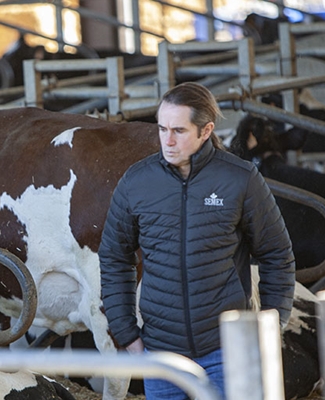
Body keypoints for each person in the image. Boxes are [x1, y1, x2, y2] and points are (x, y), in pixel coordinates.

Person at [99, 82, 295, 399]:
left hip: (226, 349)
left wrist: (269, 329)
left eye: (179, 130)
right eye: (162, 129)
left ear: (206, 131)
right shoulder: (137, 182)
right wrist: (125, 332)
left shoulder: (240, 178)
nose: (168, 140)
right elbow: (114, 256)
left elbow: (277, 255)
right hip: (162, 353)